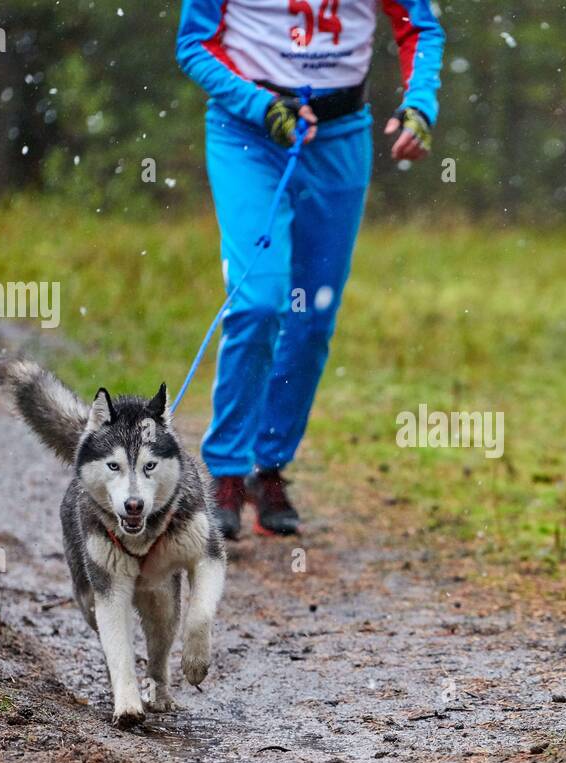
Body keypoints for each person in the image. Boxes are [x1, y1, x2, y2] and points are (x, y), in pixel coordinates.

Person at [176, 0, 444, 538]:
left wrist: (420, 105)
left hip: (340, 138)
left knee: (313, 317)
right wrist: (257, 104)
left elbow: (420, 26)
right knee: (257, 303)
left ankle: (268, 468)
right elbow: (192, 45)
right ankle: (226, 472)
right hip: (247, 130)